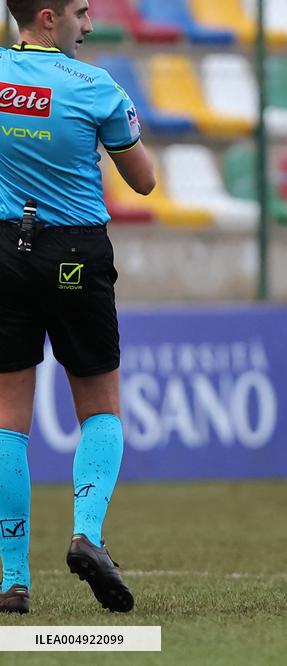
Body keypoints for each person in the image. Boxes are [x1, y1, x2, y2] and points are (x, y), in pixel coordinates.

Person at [0, 0, 155, 614]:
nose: (88, 26)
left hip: (5, 249)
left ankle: (12, 578)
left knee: (9, 415)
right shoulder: (96, 84)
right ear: (47, 17)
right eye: (81, 13)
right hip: (75, 250)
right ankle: (87, 535)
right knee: (100, 406)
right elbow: (143, 180)